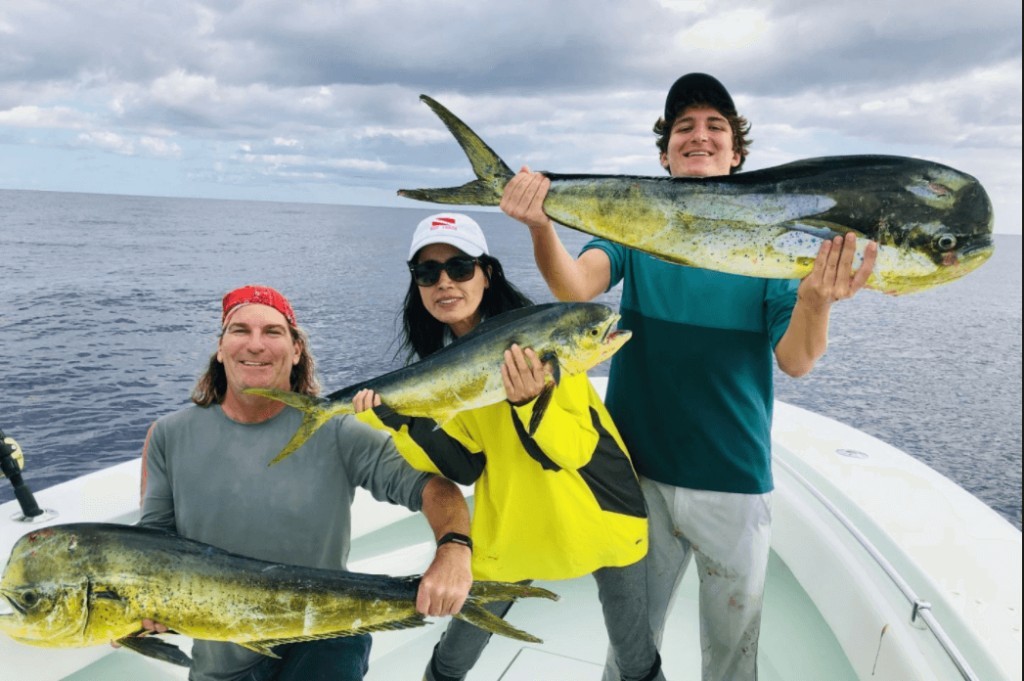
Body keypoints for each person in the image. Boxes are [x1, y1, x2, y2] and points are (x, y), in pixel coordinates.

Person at [499, 73, 878, 680]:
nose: (698, 136)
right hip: (637, 473)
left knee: (732, 653)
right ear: (665, 154)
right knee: (631, 650)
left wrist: (816, 299)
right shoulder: (638, 231)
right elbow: (573, 287)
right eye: (684, 128)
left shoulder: (773, 247)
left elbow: (797, 360)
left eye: (715, 127)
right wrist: (543, 225)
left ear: (737, 155)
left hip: (732, 479)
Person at [353, 212, 665, 681]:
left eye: (459, 267)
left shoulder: (545, 339)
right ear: (417, 285)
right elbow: (465, 464)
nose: (444, 282)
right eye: (428, 272)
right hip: (515, 524)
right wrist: (402, 424)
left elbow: (576, 453)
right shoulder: (436, 373)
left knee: (637, 661)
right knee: (451, 661)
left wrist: (531, 404)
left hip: (602, 516)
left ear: (487, 273)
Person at [137, 284, 474, 681]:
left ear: (297, 350)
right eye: (240, 330)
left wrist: (454, 549)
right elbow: (151, 546)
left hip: (324, 638)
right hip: (220, 664)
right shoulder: (168, 435)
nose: (256, 345)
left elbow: (435, 489)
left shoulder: (337, 431)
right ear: (221, 347)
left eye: (273, 332)